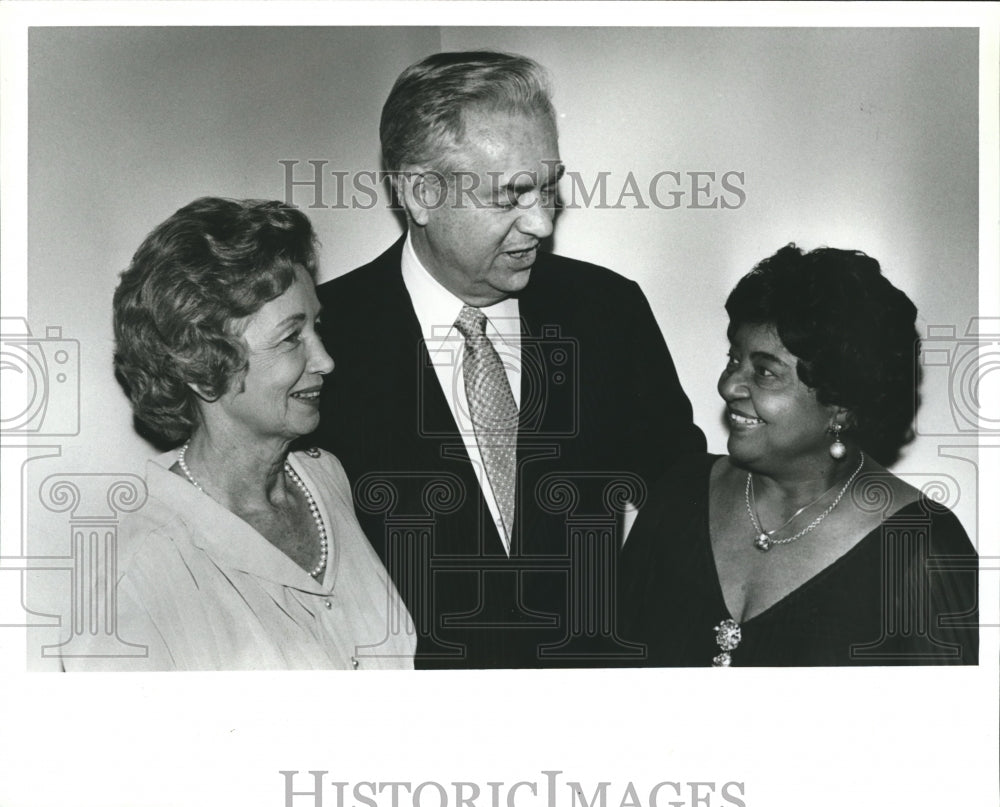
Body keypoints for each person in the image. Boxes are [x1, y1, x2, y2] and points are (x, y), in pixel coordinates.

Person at [314, 51, 706, 669]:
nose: (543, 223)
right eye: (512, 196)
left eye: (548, 189)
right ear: (420, 193)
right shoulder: (323, 341)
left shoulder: (608, 312)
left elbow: (684, 504)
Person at [63, 197, 414, 670]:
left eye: (317, 327)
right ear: (202, 364)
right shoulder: (136, 569)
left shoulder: (327, 479)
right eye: (291, 338)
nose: (326, 360)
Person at [619, 245, 979, 666]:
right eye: (734, 359)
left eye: (764, 372)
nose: (728, 386)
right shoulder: (680, 493)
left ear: (841, 404)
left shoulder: (920, 548)